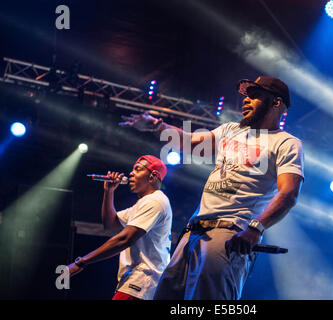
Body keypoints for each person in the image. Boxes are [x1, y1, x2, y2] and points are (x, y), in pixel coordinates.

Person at [120, 76, 304, 299]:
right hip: (193, 233)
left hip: (229, 234)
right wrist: (156, 126)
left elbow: (289, 193)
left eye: (254, 96)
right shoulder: (230, 130)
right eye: (246, 95)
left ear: (276, 103)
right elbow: (188, 141)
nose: (245, 100)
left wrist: (256, 228)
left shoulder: (286, 143)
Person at [67, 155, 172, 300]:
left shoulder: (155, 201)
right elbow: (110, 226)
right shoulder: (142, 204)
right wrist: (109, 191)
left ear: (152, 177)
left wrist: (81, 262)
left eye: (138, 169)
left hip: (142, 279)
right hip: (135, 281)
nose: (131, 173)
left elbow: (124, 238)